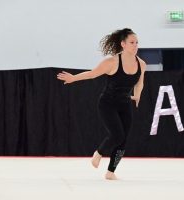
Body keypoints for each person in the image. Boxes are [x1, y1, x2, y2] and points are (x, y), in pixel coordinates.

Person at [57, 28, 146, 180]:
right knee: (117, 136)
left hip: (125, 104)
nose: (135, 45)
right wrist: (73, 78)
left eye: (137, 42)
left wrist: (137, 96)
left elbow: (139, 83)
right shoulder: (111, 62)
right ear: (123, 44)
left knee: (123, 141)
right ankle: (98, 153)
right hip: (108, 104)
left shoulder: (141, 64)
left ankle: (110, 172)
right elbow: (92, 74)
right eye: (132, 42)